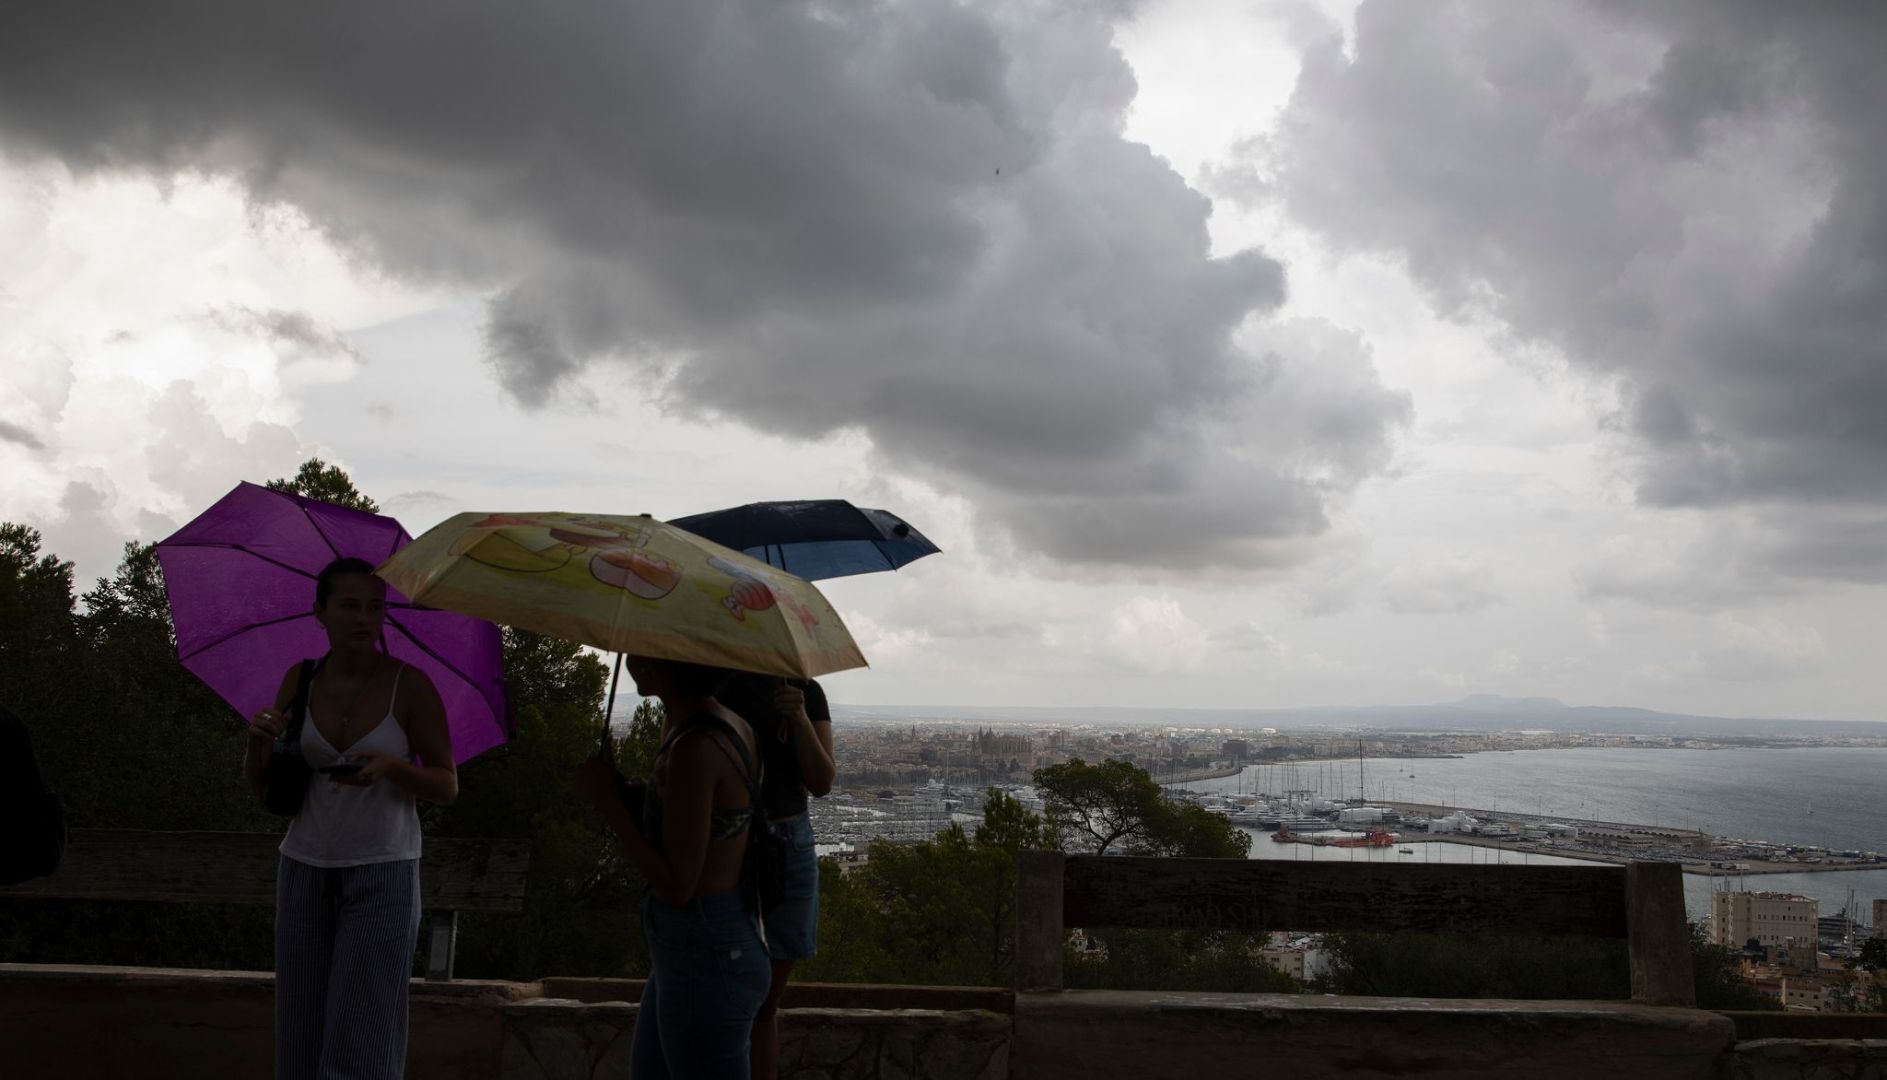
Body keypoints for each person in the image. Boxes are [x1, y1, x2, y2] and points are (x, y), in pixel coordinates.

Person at [242, 557, 458, 1080]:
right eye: (350, 606)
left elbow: (447, 785)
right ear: (320, 612)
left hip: (382, 869)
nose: (364, 618)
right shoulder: (302, 679)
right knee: (300, 1023)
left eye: (375, 607)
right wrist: (256, 743)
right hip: (304, 865)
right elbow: (262, 789)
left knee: (365, 1027)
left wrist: (392, 769)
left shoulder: (411, 686)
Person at [576, 657, 772, 1080]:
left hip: (704, 948)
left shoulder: (695, 748)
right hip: (711, 942)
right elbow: (689, 823)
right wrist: (622, 788)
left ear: (657, 670)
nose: (629, 662)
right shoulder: (732, 728)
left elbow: (679, 883)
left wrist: (609, 805)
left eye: (638, 654)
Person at [715, 674, 834, 1079]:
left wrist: (799, 718)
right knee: (732, 996)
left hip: (788, 840)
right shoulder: (715, 687)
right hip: (732, 843)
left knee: (766, 1004)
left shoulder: (805, 692)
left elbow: (822, 782)